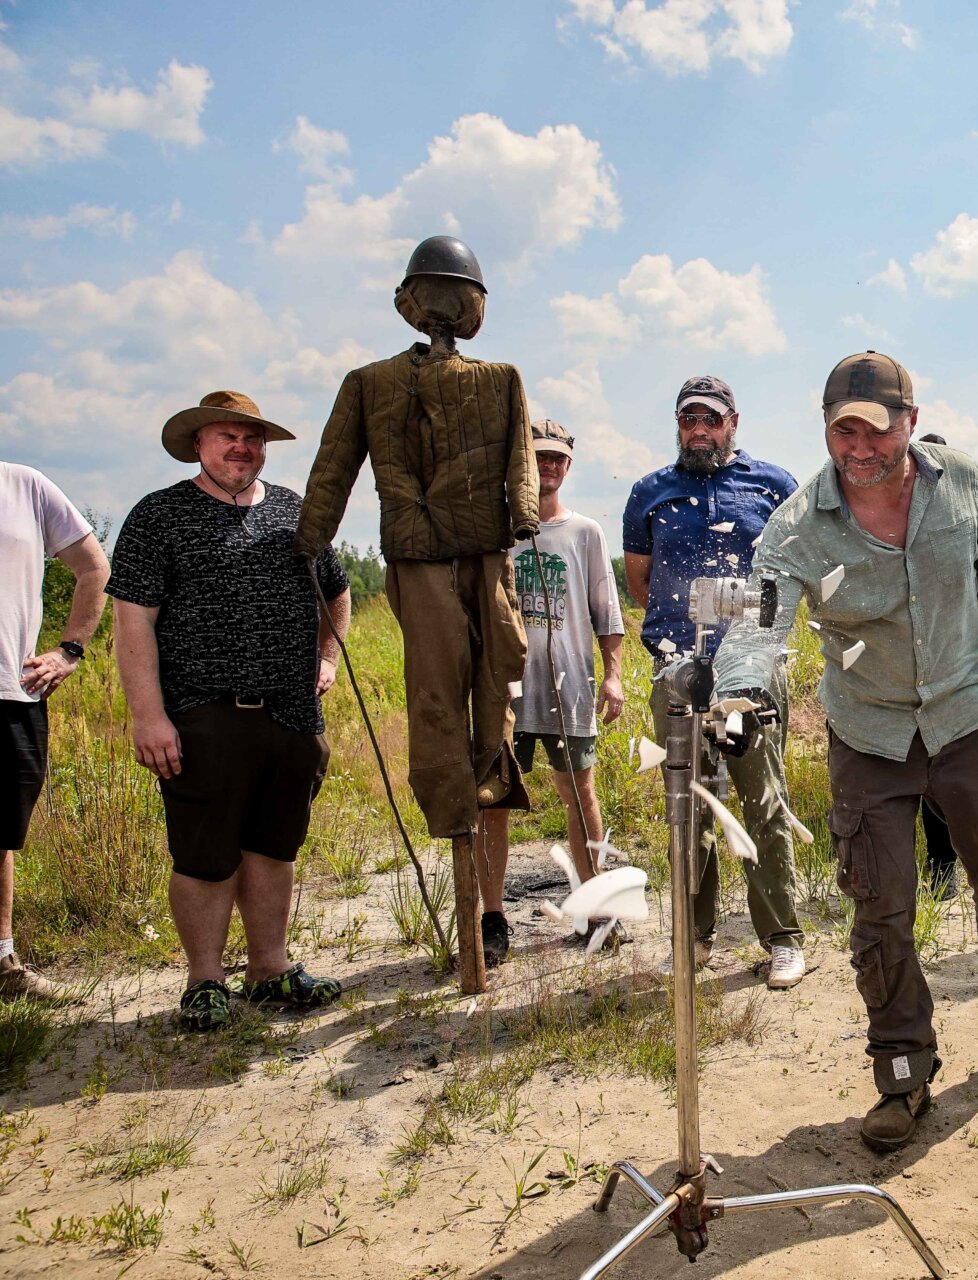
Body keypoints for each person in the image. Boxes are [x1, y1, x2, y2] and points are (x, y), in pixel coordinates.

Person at [714, 349, 978, 1152]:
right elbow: (758, 620)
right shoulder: (799, 524)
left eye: (877, 431)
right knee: (880, 906)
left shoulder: (962, 482)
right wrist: (737, 693)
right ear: (825, 429)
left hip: (965, 715)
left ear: (910, 423)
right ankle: (903, 1069)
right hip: (869, 732)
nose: (861, 449)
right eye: (843, 432)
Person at [294, 236, 539, 993]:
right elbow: (335, 467)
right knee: (437, 697)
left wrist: (524, 515)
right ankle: (458, 805)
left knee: (494, 682)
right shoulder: (370, 384)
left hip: (484, 555)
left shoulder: (499, 379)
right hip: (421, 556)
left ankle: (486, 791)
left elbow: (521, 457)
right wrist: (309, 540)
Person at [109, 391, 351, 1032]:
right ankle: (205, 981)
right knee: (205, 854)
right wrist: (149, 717)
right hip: (202, 715)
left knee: (274, 847)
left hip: (293, 716)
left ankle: (269, 971)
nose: (241, 448)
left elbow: (337, 591)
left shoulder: (296, 512)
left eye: (251, 438)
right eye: (227, 437)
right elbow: (133, 623)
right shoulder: (159, 516)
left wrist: (326, 658)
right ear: (198, 444)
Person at [623, 375, 807, 990]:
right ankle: (694, 937)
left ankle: (781, 938)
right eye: (689, 420)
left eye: (711, 419)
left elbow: (792, 572)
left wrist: (748, 630)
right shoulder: (649, 492)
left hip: (751, 669)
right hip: (678, 669)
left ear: (733, 423)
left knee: (763, 798)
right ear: (678, 425)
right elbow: (642, 584)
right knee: (690, 805)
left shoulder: (773, 485)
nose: (699, 430)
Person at [477, 420, 626, 967]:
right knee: (493, 799)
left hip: (569, 686)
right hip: (504, 688)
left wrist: (612, 675)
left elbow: (606, 610)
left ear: (569, 464)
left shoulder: (584, 532)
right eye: (538, 456)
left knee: (580, 794)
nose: (549, 467)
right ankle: (492, 917)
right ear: (521, 461)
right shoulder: (495, 530)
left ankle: (596, 906)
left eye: (557, 458)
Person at [1, 461, 108, 1001]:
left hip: (11, 690)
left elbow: (94, 568)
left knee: (1, 833)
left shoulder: (24, 486)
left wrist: (69, 651)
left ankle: (2, 966)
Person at [912, 433, 959, 900]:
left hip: (948, 676)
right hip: (898, 677)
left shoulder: (959, 525)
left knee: (942, 780)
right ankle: (924, 873)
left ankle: (945, 872)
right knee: (907, 781)